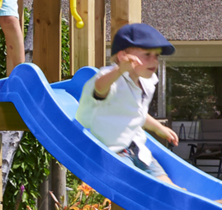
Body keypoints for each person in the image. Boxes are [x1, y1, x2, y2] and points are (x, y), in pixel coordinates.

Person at [76, 22, 181, 183]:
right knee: (132, 181)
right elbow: (100, 88)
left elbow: (137, 113)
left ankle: (178, 193)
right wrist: (119, 70)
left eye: (157, 55)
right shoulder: (111, 79)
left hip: (137, 147)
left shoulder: (146, 83)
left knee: (163, 179)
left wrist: (158, 127)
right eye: (147, 55)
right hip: (111, 152)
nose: (154, 60)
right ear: (122, 57)